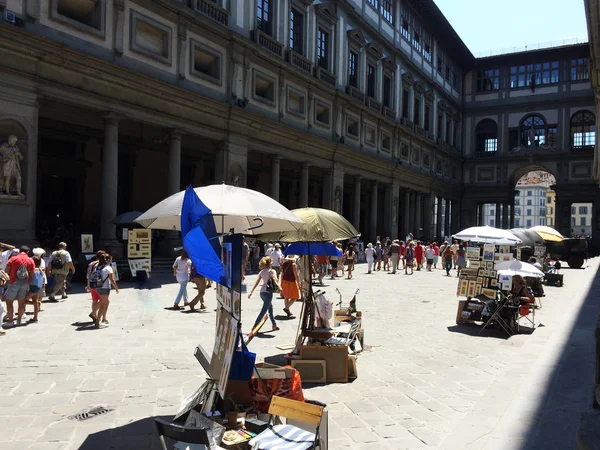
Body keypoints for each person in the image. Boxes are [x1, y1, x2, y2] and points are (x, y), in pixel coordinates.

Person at [248, 256, 281, 331]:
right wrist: (279, 287)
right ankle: (255, 325)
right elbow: (275, 279)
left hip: (262, 292)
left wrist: (251, 292)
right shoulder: (272, 271)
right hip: (268, 292)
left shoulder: (261, 272)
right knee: (264, 310)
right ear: (270, 263)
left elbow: (257, 282)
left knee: (270, 308)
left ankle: (274, 325)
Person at [4, 245, 34, 326]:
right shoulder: (30, 260)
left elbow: (6, 271)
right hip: (24, 283)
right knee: (21, 302)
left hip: (13, 281)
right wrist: (28, 282)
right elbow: (32, 274)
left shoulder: (13, 258)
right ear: (28, 252)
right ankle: (19, 320)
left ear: (20, 251)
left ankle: (10, 321)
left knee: (9, 302)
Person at [95, 254, 119, 328]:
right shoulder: (108, 268)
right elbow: (112, 280)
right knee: (103, 305)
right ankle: (97, 322)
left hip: (98, 286)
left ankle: (103, 318)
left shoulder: (98, 267)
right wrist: (116, 288)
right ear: (107, 260)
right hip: (105, 287)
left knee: (106, 302)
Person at [19, 256, 44, 324]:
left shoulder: (33, 270)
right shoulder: (40, 269)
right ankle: (35, 317)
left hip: (32, 287)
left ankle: (20, 317)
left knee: (22, 300)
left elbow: (29, 278)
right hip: (38, 287)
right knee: (35, 301)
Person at [86, 250, 106, 323]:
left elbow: (88, 275)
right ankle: (93, 313)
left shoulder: (91, 264)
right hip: (99, 283)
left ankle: (95, 315)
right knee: (103, 299)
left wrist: (88, 285)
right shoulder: (102, 264)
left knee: (94, 300)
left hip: (92, 283)